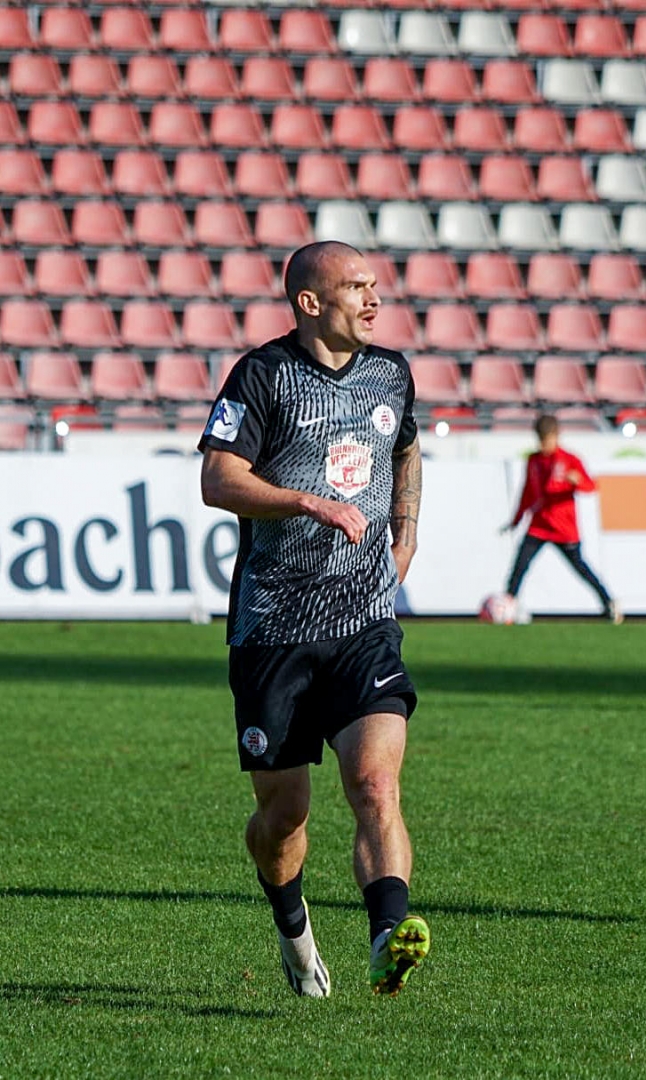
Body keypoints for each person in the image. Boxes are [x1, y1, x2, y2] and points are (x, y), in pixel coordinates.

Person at [198, 241, 429, 999]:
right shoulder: (261, 377)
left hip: (363, 621)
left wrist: (405, 531)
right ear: (308, 303)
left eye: (373, 286)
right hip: (272, 628)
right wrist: (306, 500)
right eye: (355, 288)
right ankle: (292, 929)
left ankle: (387, 934)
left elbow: (405, 445)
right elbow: (217, 477)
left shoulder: (390, 371)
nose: (372, 300)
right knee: (283, 817)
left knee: (373, 781)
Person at [501, 414, 622, 623]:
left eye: (547, 440)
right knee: (520, 565)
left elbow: (591, 486)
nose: (544, 444)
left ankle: (609, 603)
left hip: (564, 528)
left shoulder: (569, 460)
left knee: (581, 568)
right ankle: (507, 607)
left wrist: (577, 481)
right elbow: (527, 492)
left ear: (556, 437)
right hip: (539, 524)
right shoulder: (533, 460)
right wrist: (516, 519)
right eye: (541, 440)